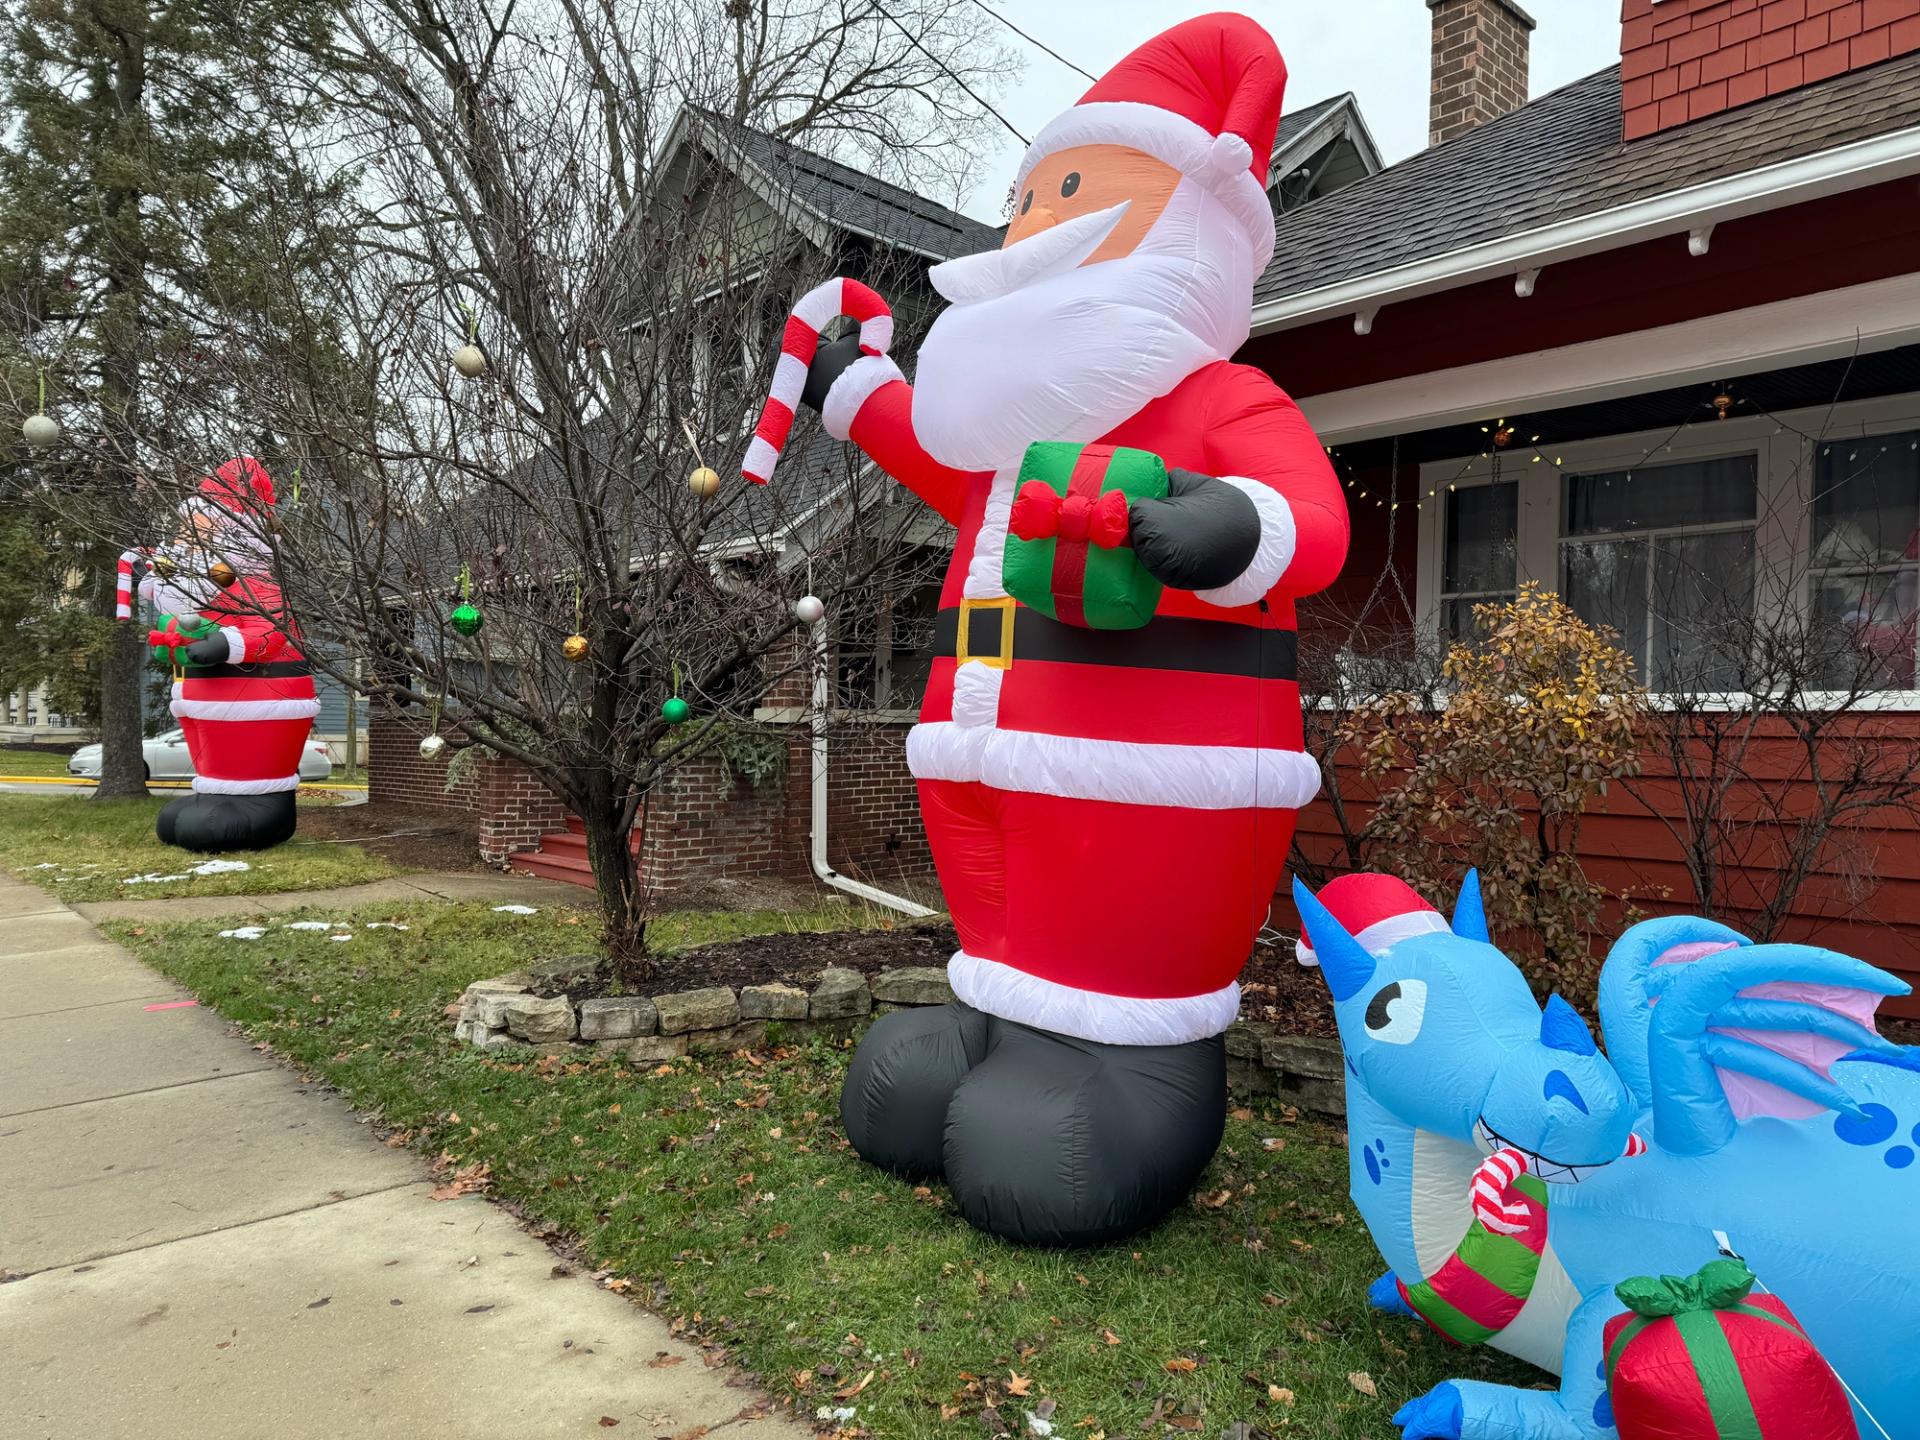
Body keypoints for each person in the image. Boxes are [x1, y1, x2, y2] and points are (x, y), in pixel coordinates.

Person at [796, 14, 1349, 1244]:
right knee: (999, 923)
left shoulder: (1217, 398)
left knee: (1055, 1116)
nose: (1037, 223)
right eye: (1032, 196)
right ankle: (997, 1019)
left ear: (1190, 221)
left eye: (1078, 190)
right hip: (982, 769)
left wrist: (1226, 526)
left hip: (1152, 794)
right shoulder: (1006, 454)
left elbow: (1311, 518)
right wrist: (859, 393)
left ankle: (1137, 1080)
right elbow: (944, 462)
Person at [140, 457, 319, 852]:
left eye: (195, 533)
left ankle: (265, 807)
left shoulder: (255, 586)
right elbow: (187, 636)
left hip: (266, 694)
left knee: (244, 768)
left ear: (233, 538)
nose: (182, 543)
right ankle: (217, 792)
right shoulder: (199, 595)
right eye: (184, 533)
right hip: (208, 700)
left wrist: (225, 645)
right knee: (186, 812)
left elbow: (272, 630)